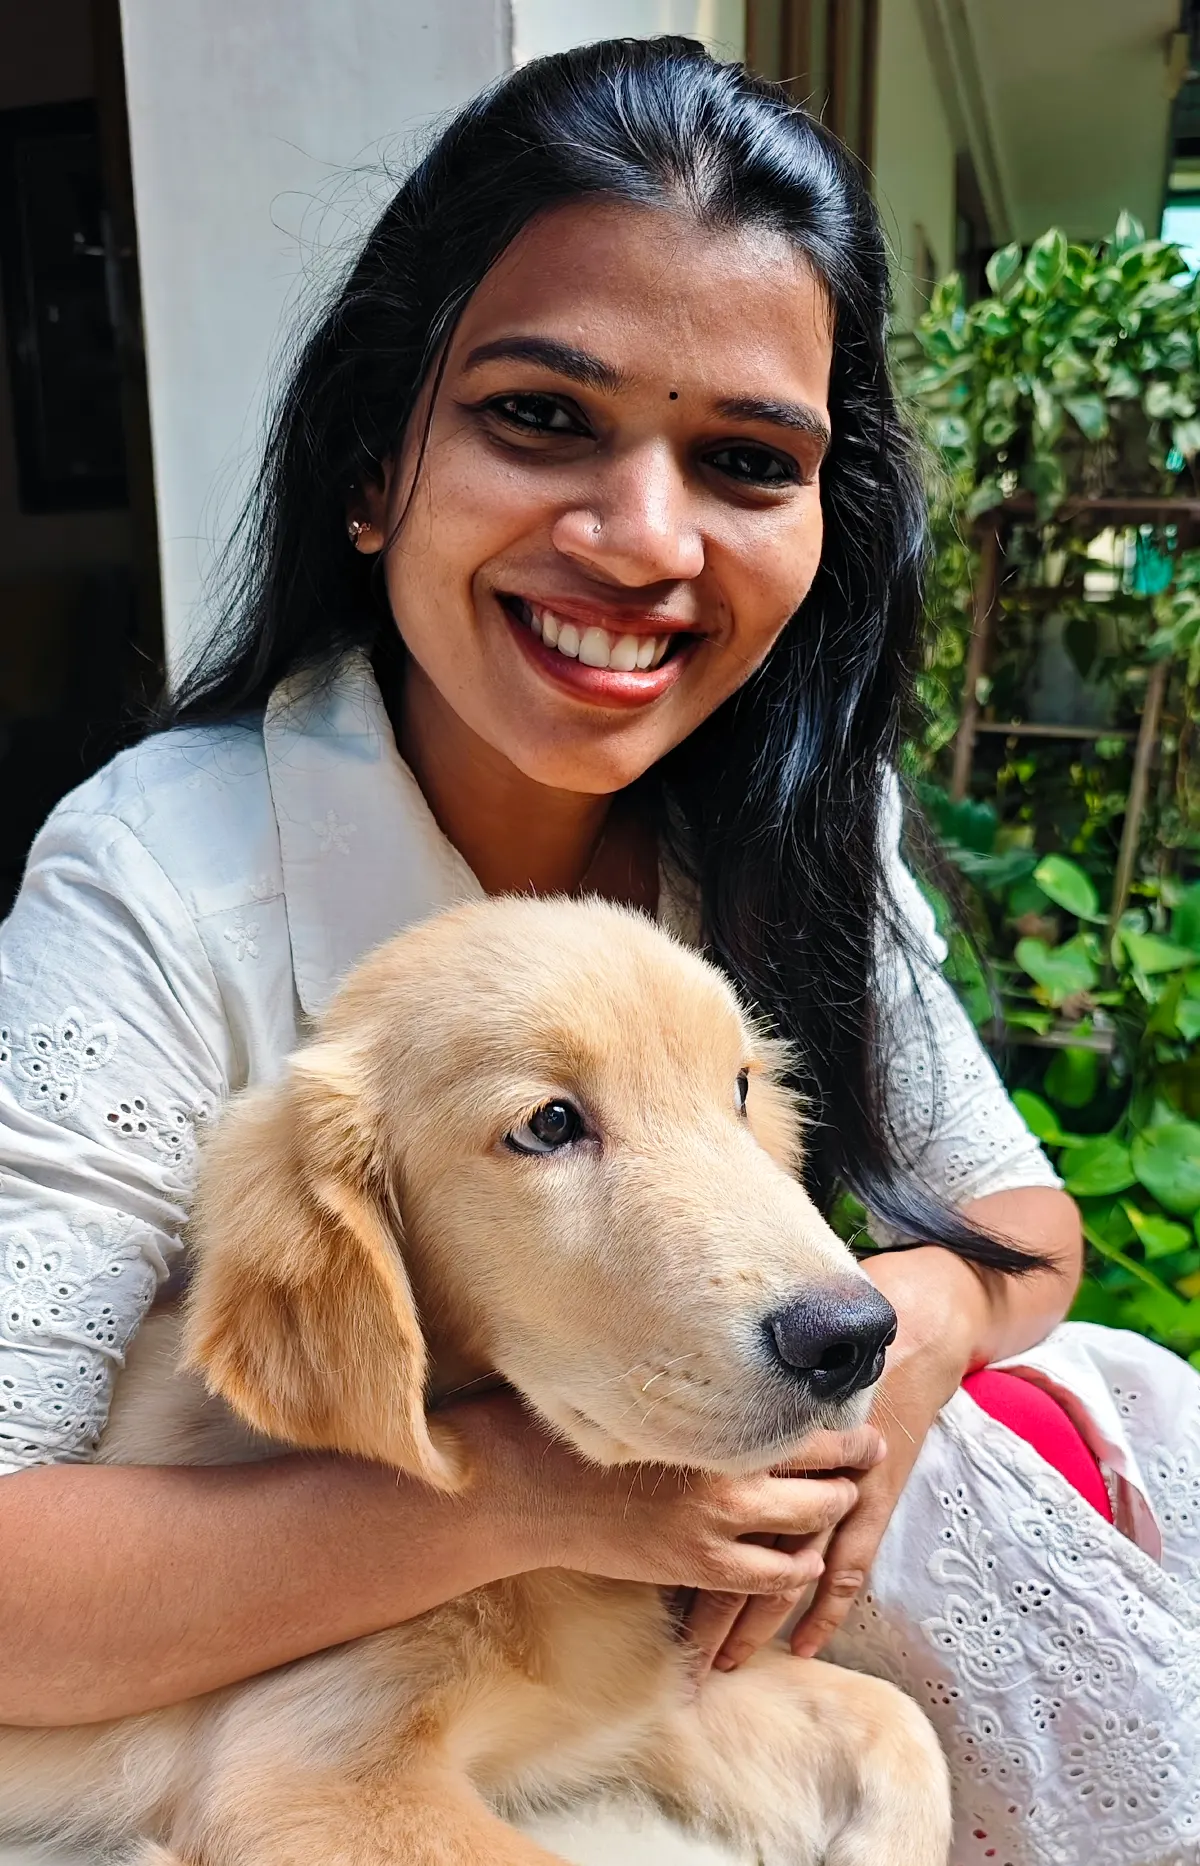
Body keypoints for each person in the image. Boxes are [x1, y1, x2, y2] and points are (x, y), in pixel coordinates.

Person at [0, 37, 1196, 1866]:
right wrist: (533, 1492)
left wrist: (911, 1338)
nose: (644, 541)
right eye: (542, 416)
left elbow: (1019, 1227)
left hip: (675, 1662)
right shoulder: (163, 875)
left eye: (746, 459)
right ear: (373, 466)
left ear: (820, 528)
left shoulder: (793, 823)